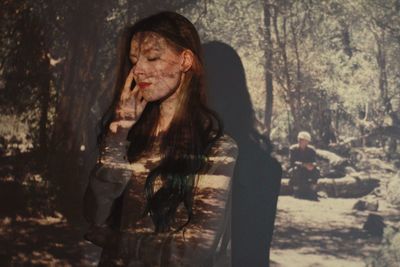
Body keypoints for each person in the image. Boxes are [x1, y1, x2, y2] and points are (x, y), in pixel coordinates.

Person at [82, 11, 238, 266]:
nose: (139, 70)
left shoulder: (217, 147)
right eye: (134, 60)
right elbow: (95, 215)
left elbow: (196, 249)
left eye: (152, 58)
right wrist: (118, 134)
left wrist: (116, 241)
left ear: (185, 60)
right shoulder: (126, 135)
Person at [289, 131, 319, 200]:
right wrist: (304, 165)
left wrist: (312, 165)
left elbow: (314, 161)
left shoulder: (311, 150)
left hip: (308, 169)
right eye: (299, 139)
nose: (300, 141)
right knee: (294, 170)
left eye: (302, 140)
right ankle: (296, 190)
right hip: (298, 169)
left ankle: (312, 190)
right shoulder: (293, 149)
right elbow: (292, 162)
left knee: (317, 170)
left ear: (307, 142)